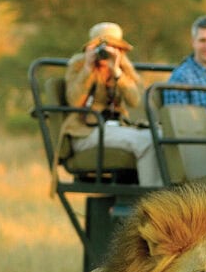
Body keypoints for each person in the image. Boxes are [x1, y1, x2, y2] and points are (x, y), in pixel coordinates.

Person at [61, 22, 161, 186]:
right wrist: (88, 69)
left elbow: (134, 100)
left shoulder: (121, 66)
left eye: (113, 47)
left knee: (161, 136)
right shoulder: (79, 65)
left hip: (116, 127)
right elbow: (75, 101)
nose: (105, 53)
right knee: (147, 142)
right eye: (101, 47)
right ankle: (153, 200)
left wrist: (117, 72)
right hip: (86, 131)